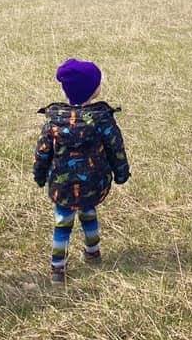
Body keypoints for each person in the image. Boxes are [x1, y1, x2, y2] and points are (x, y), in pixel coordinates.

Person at [33, 59, 130, 284]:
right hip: (93, 183)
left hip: (62, 185)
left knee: (62, 223)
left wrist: (39, 175)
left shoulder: (54, 120)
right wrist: (121, 173)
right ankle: (92, 251)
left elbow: (42, 152)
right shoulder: (102, 119)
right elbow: (116, 148)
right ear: (94, 91)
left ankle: (58, 269)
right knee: (88, 213)